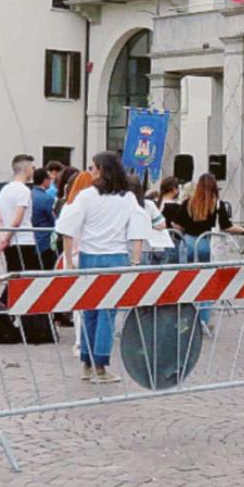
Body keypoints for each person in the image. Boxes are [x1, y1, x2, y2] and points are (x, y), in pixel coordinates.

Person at [54, 153, 152, 383]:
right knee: (107, 313)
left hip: (90, 256)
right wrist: (135, 261)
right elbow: (138, 229)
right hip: (115, 257)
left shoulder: (86, 196)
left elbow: (67, 227)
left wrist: (69, 261)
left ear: (99, 170)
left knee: (89, 310)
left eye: (92, 167)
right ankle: (100, 364)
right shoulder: (127, 198)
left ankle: (88, 363)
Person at [165, 173, 244, 326]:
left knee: (188, 280)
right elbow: (227, 227)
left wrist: (184, 231)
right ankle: (203, 319)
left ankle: (186, 318)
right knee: (206, 282)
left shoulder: (188, 203)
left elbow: (175, 224)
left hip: (189, 243)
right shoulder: (217, 205)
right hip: (206, 244)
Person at [0, 154, 38, 274]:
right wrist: (5, 240)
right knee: (25, 279)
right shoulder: (24, 191)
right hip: (24, 240)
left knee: (13, 277)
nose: (33, 171)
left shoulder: (4, 190)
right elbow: (17, 220)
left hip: (10, 242)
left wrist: (3, 237)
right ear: (26, 169)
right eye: (32, 168)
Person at [31, 167, 59, 269]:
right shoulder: (47, 199)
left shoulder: (29, 195)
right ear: (45, 180)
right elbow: (53, 219)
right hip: (45, 241)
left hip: (31, 239)